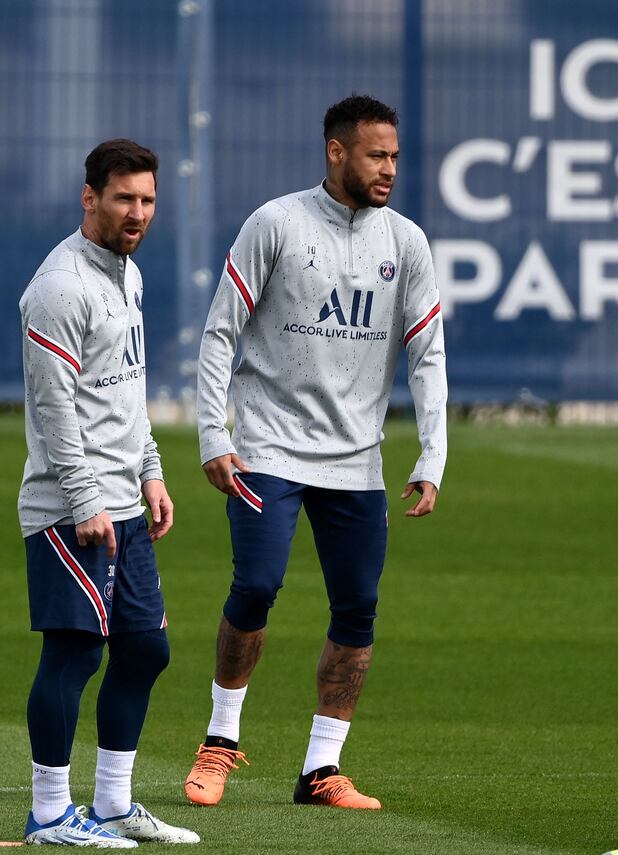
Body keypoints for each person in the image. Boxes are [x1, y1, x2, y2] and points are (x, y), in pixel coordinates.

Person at [184, 94, 447, 810]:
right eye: (376, 155)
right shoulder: (277, 224)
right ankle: (220, 739)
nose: (390, 168)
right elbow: (218, 334)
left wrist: (432, 455)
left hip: (357, 463)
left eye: (394, 155)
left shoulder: (407, 242)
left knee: (358, 607)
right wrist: (215, 433)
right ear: (336, 152)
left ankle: (320, 770)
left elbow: (427, 355)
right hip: (267, 449)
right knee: (258, 584)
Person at [18, 139, 199, 846]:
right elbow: (55, 407)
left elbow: (127, 391)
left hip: (125, 500)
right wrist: (87, 495)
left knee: (145, 650)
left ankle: (115, 805)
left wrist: (150, 470)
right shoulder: (60, 286)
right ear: (89, 196)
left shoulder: (127, 273)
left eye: (149, 199)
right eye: (124, 198)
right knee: (74, 652)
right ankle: (49, 813)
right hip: (71, 508)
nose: (138, 213)